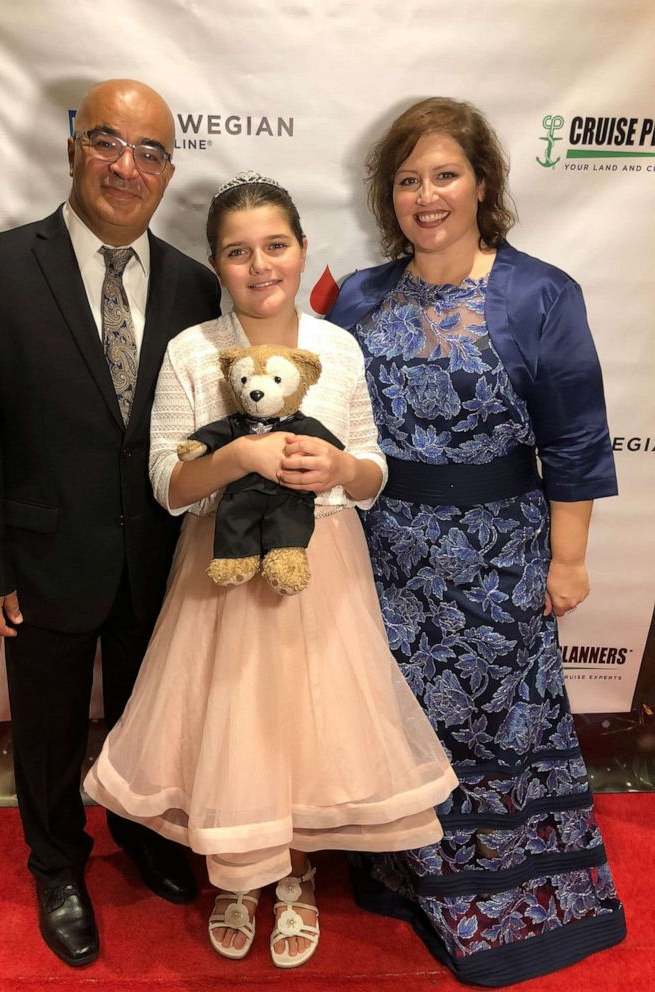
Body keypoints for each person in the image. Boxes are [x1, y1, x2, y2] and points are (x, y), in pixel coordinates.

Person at [84, 172, 458, 969]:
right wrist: (239, 456)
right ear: (217, 264)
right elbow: (166, 481)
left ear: (301, 250)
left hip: (322, 566)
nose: (261, 266)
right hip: (219, 570)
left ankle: (297, 876)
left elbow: (374, 470)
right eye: (238, 251)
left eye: (275, 246)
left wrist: (338, 469)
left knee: (311, 727)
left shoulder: (337, 348)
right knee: (236, 722)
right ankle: (238, 874)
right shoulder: (191, 350)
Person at [327, 97, 625, 986]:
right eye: (409, 179)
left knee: (498, 726)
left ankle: (509, 906)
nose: (427, 196)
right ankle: (407, 876)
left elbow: (574, 441)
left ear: (482, 183)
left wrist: (566, 561)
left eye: (445, 175)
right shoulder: (364, 295)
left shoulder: (541, 293)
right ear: (389, 196)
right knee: (402, 721)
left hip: (500, 556)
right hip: (381, 554)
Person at [0, 79, 221, 967]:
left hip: (159, 562)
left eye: (149, 152)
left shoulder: (194, 284)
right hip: (42, 558)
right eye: (108, 141)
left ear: (169, 170)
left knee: (148, 717)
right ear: (73, 147)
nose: (125, 167)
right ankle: (57, 863)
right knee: (51, 731)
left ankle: (140, 836)